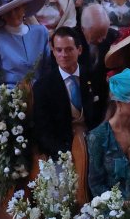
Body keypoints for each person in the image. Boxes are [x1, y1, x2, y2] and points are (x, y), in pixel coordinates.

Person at [31, 25, 101, 158]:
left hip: (95, 147)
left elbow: (102, 115)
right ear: (53, 51)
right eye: (59, 50)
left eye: (69, 49)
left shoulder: (94, 77)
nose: (63, 55)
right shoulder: (43, 86)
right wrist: (65, 155)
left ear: (79, 49)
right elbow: (43, 132)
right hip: (60, 153)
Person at [86, 67, 130, 198]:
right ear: (119, 102)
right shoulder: (98, 137)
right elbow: (96, 184)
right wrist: (118, 206)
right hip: (109, 212)